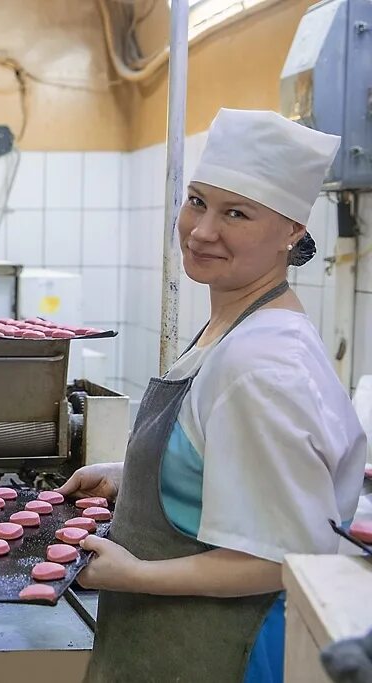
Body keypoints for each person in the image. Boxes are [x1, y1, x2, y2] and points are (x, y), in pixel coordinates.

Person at [59, 108, 368, 683]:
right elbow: (222, 454)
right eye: (197, 201)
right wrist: (141, 473)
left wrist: (134, 574)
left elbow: (280, 558)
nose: (202, 230)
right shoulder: (232, 328)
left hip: (220, 653)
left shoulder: (261, 363)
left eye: (237, 213)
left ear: (293, 233)